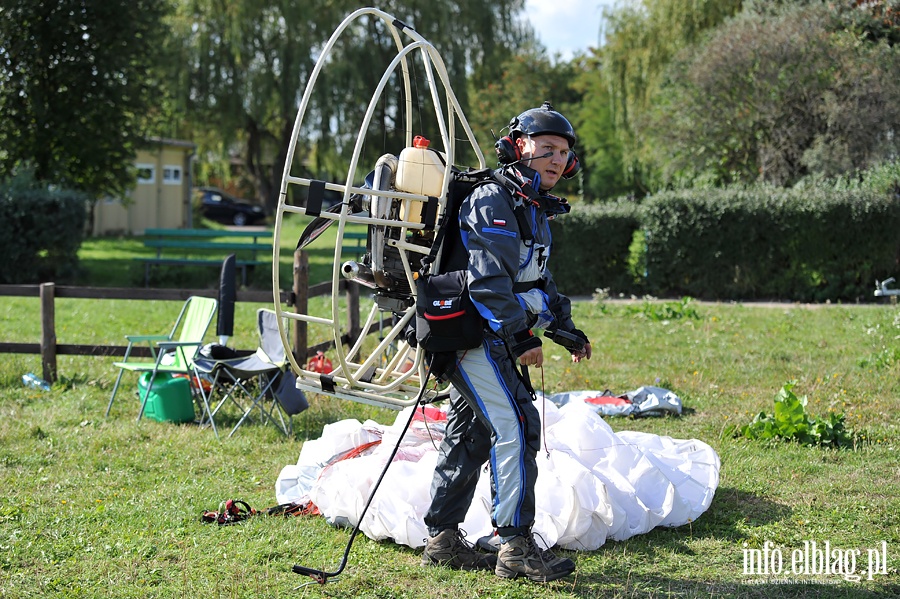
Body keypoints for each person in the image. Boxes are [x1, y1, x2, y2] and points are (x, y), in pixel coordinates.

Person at [420, 102, 592, 582]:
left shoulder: (532, 207)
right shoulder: (493, 199)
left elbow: (536, 276)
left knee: (471, 432)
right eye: (547, 148)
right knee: (517, 424)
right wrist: (521, 338)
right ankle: (515, 548)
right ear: (520, 147)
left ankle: (443, 539)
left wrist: (564, 328)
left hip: (490, 336)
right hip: (475, 337)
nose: (557, 160)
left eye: (564, 153)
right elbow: (490, 282)